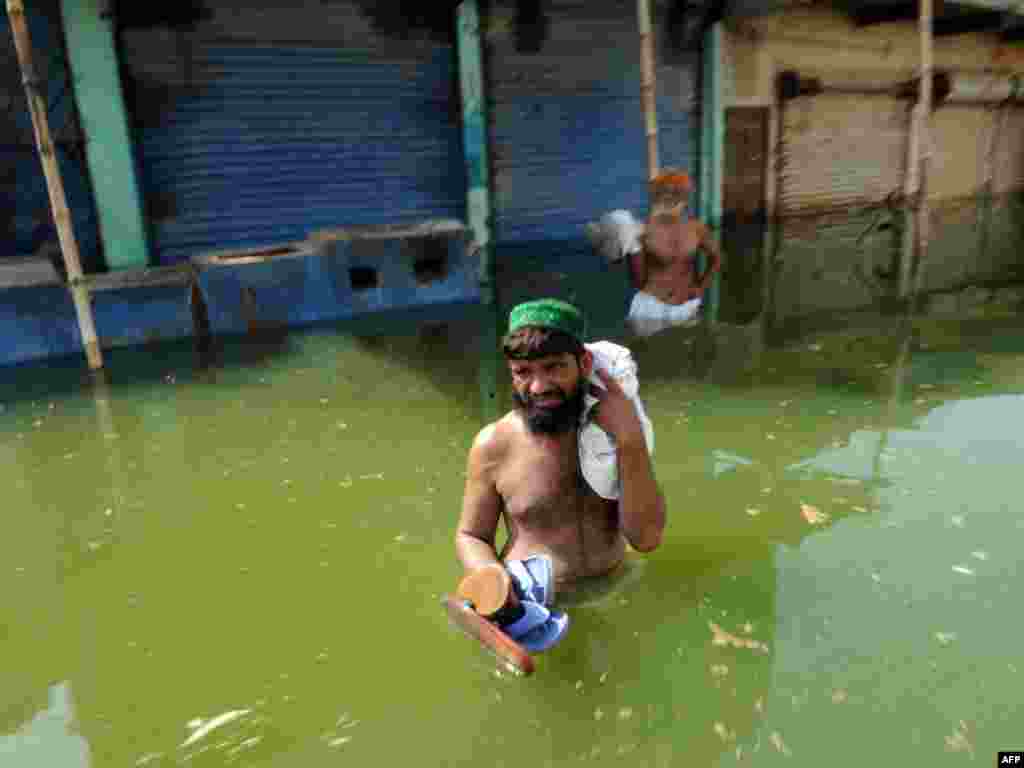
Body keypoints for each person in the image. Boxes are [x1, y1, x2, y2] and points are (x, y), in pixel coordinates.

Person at [455, 299, 666, 612]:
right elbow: (471, 535)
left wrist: (629, 437)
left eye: (554, 367)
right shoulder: (494, 444)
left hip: (618, 588)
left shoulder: (614, 433)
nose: (539, 386)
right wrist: (491, 577)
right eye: (523, 372)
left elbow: (646, 539)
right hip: (533, 603)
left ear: (584, 364)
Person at [627, 169, 723, 337]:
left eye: (676, 193)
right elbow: (638, 281)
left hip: (686, 305)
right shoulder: (641, 231)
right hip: (650, 309)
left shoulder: (697, 228)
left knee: (688, 355)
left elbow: (716, 258)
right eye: (666, 194)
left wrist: (701, 287)